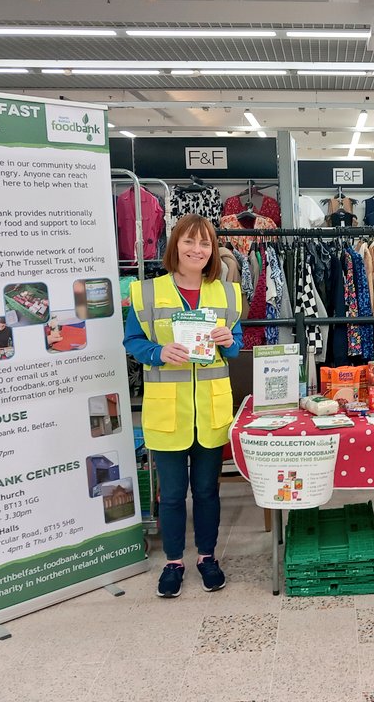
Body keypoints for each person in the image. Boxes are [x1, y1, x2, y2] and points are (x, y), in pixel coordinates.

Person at [124, 214, 243, 598]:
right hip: (167, 412)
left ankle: (207, 557)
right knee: (172, 494)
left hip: (210, 410)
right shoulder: (146, 293)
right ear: (174, 245)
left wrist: (228, 339)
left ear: (213, 251)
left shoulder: (227, 292)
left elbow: (236, 346)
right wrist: (158, 351)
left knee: (208, 491)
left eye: (205, 243)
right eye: (189, 242)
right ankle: (173, 561)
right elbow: (131, 342)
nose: (197, 250)